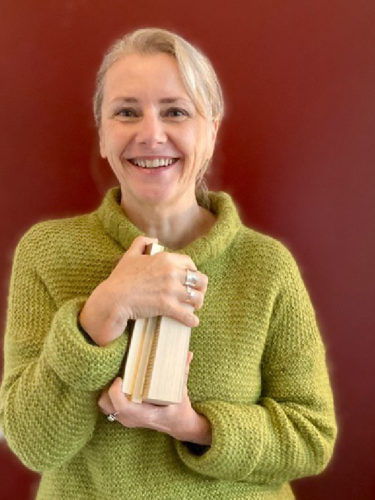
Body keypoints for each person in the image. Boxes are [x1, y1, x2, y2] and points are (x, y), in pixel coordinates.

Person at [0, 28, 337, 499]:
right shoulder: (47, 253)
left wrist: (193, 426)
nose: (151, 134)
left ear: (211, 129)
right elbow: (33, 445)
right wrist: (102, 312)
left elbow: (310, 438)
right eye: (126, 112)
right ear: (102, 133)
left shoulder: (267, 267)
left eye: (175, 111)